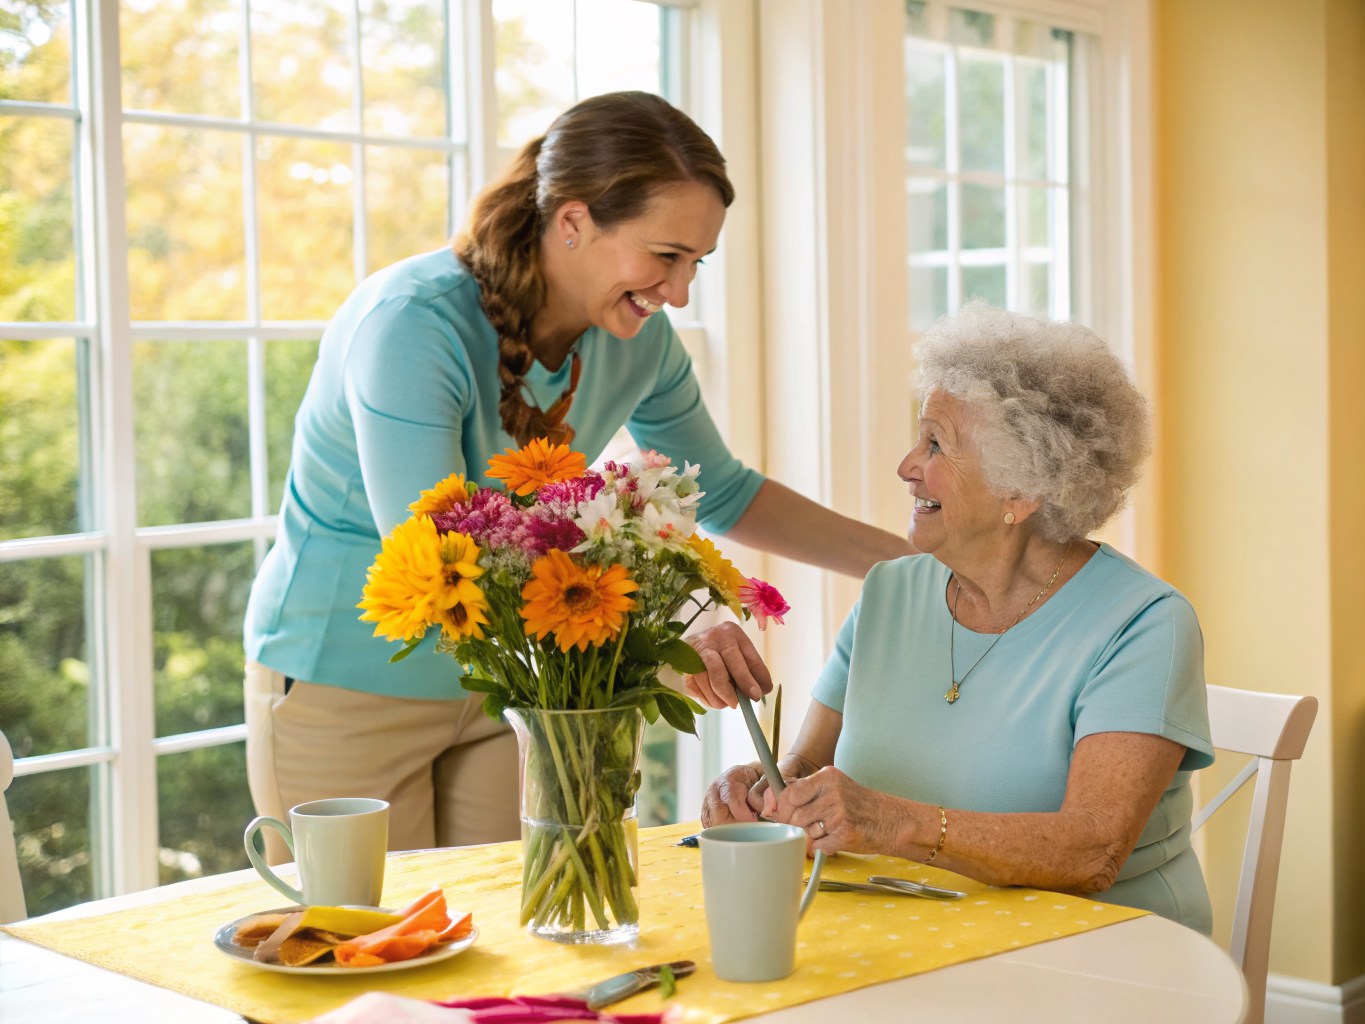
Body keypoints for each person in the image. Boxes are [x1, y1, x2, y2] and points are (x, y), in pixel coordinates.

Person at [243, 91, 913, 862]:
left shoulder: (640, 343)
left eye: (696, 262)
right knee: (368, 938)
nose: (681, 291)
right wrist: (673, 631)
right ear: (572, 221)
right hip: (343, 682)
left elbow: (720, 491)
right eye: (665, 256)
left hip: (500, 684)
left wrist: (908, 568)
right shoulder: (412, 324)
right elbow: (438, 548)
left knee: (500, 938)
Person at [691, 302, 1216, 934]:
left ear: (1021, 491)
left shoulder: (1144, 625)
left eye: (936, 444)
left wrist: (894, 822)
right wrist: (765, 790)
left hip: (1097, 954)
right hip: (914, 935)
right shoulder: (889, 592)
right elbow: (803, 764)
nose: (907, 466)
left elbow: (1091, 851)